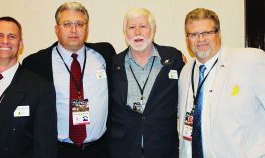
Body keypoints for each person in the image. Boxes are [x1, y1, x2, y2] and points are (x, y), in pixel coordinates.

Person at [22, 2, 115, 158]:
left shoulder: (104, 54)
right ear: (56, 29)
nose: (73, 30)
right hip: (58, 151)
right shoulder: (35, 63)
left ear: (87, 28)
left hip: (100, 150)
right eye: (67, 24)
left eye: (79, 24)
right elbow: (16, 81)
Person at [178, 8, 265, 158]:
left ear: (218, 33)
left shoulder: (250, 60)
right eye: (194, 34)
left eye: (207, 33)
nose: (200, 39)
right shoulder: (186, 71)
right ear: (187, 38)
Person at [0, 16, 57, 158]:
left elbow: (45, 148)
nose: (5, 41)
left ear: (20, 44)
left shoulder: (40, 88)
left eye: (12, 36)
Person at [109, 8, 184, 158]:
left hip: (163, 148)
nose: (137, 32)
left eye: (143, 26)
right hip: (124, 149)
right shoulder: (113, 63)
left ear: (153, 29)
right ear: (125, 32)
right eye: (131, 27)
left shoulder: (173, 58)